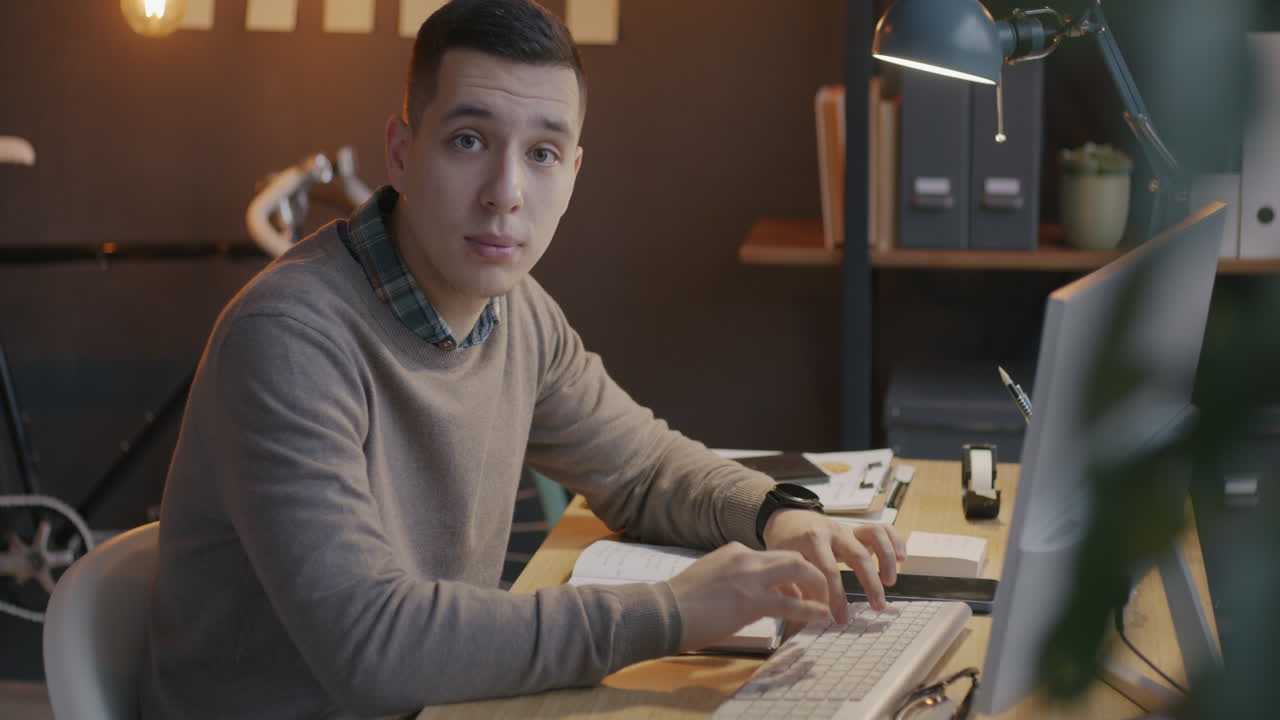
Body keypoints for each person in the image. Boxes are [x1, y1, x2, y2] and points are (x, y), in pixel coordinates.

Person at [141, 1, 905, 717]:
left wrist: (776, 515)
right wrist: (676, 610)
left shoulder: (516, 311)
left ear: (572, 176)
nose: (505, 192)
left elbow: (641, 468)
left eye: (541, 153)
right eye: (469, 141)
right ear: (402, 154)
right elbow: (370, 646)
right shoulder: (287, 338)